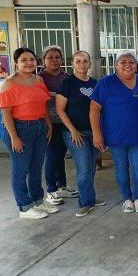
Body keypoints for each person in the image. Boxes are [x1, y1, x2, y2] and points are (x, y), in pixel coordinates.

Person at [0, 48, 56, 219]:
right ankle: (24, 206)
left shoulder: (38, 80)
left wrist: (48, 124)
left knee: (36, 167)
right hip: (20, 128)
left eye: (31, 59)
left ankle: (38, 200)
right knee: (21, 169)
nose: (29, 63)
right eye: (24, 60)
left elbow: (44, 104)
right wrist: (14, 137)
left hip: (39, 126)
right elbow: (6, 114)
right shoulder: (9, 83)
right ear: (16, 63)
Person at [90, 51, 138, 213]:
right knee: (121, 167)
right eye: (123, 62)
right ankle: (126, 199)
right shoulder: (105, 83)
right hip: (115, 135)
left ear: (136, 65)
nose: (127, 65)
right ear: (116, 65)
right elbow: (94, 109)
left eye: (131, 62)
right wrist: (97, 134)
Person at [56, 50, 105, 217]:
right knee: (84, 168)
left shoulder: (95, 83)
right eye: (78, 61)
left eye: (85, 61)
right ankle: (85, 203)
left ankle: (89, 197)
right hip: (75, 133)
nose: (82, 64)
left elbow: (100, 109)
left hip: (93, 132)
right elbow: (60, 110)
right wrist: (73, 131)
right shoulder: (67, 83)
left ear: (90, 63)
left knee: (91, 167)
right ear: (73, 64)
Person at [39, 46, 76, 205]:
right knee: (52, 155)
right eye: (50, 57)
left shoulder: (66, 76)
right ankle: (51, 190)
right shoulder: (40, 78)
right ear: (43, 60)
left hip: (64, 121)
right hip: (49, 122)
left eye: (57, 57)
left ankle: (62, 185)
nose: (54, 60)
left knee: (60, 154)